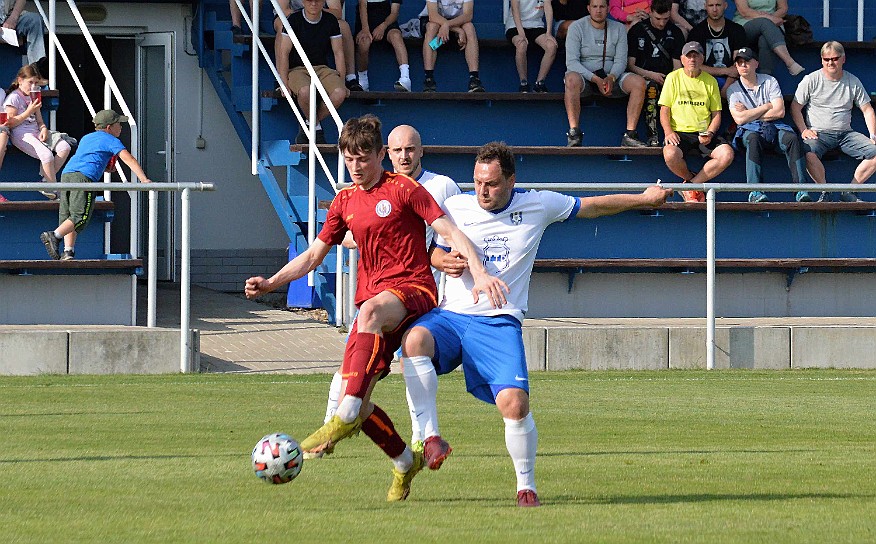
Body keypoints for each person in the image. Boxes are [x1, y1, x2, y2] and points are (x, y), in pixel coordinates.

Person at [244, 115, 507, 502]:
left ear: (380, 155)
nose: (356, 167)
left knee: (364, 327)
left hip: (413, 292)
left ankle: (345, 416)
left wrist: (480, 273)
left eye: (363, 158)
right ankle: (403, 461)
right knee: (360, 394)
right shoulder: (344, 201)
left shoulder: (404, 189)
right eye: (349, 159)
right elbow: (314, 255)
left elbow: (451, 233)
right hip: (374, 303)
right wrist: (272, 282)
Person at [400, 141, 671, 507]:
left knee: (515, 405)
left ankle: (525, 487)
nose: (482, 191)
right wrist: (440, 260)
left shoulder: (538, 204)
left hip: (498, 322)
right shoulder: (456, 205)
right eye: (478, 181)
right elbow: (428, 245)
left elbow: (591, 206)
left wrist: (643, 199)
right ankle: (430, 438)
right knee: (414, 340)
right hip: (451, 316)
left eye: (492, 184)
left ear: (511, 181)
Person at [311, 123, 462, 457]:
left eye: (410, 149)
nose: (404, 156)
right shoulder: (364, 193)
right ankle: (342, 431)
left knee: (412, 356)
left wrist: (457, 264)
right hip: (378, 292)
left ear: (421, 150)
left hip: (421, 291)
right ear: (387, 154)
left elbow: (451, 232)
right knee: (353, 375)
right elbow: (352, 235)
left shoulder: (439, 187)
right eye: (398, 150)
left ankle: (425, 437)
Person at [39, 109, 151, 261]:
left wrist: (105, 167)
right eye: (119, 124)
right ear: (109, 128)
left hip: (67, 174)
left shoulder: (87, 137)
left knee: (68, 216)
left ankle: (68, 252)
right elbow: (129, 158)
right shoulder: (111, 139)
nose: (121, 127)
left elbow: (90, 157)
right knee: (80, 216)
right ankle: (54, 236)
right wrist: (144, 179)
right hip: (84, 178)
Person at [790, 41, 876, 203]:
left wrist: (873, 135)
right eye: (826, 59)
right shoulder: (811, 79)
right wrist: (803, 130)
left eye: (835, 58)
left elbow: (867, 109)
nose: (830, 62)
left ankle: (850, 191)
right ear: (822, 59)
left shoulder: (853, 81)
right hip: (818, 133)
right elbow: (795, 107)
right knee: (807, 151)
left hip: (846, 134)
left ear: (843, 59)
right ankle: (825, 191)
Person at [727, 47, 810, 203]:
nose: (743, 65)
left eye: (747, 61)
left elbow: (779, 112)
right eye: (739, 63)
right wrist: (766, 107)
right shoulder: (733, 89)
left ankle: (801, 189)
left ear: (756, 63)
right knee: (752, 138)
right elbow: (739, 120)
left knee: (791, 138)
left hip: (775, 127)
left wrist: (749, 113)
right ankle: (755, 192)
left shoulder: (769, 81)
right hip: (750, 131)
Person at [564, 0, 648, 147]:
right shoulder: (576, 27)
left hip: (611, 75)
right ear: (588, 8)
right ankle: (574, 133)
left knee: (639, 82)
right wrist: (595, 79)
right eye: (595, 7)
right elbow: (571, 62)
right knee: (570, 78)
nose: (598, 10)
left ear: (608, 8)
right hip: (585, 76)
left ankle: (630, 135)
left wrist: (612, 77)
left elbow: (621, 60)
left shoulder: (619, 28)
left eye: (602, 6)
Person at [658, 41, 734, 202]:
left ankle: (691, 185)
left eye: (696, 56)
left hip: (703, 133)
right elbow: (664, 109)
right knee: (670, 154)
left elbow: (716, 114)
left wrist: (710, 132)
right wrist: (668, 132)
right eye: (689, 56)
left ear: (702, 59)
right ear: (682, 59)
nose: (692, 59)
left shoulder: (710, 81)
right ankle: (691, 182)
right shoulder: (673, 78)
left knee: (726, 154)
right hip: (679, 132)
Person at [278, 0, 349, 144]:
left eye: (318, 0)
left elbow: (339, 53)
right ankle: (316, 127)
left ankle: (309, 123)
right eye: (309, 0)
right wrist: (283, 82)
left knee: (340, 93)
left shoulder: (330, 20)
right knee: (305, 91)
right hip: (297, 69)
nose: (314, 3)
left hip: (322, 68)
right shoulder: (294, 20)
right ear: (303, 2)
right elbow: (283, 52)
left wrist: (342, 81)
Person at [3, 64, 71, 199]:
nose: (33, 86)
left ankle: (45, 182)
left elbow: (39, 121)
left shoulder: (33, 96)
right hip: (21, 133)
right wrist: (29, 111)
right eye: (30, 82)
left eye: (36, 83)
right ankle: (54, 190)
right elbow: (9, 122)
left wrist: (43, 128)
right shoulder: (14, 97)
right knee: (47, 155)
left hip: (35, 131)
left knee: (65, 147)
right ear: (20, 80)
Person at [274, 0, 362, 96]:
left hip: (318, 14)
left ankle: (350, 78)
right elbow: (282, 10)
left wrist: (315, 11)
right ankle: (281, 79)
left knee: (344, 26)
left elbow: (337, 11)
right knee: (283, 24)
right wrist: (307, 12)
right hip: (290, 16)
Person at [626, 0, 684, 146]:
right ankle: (652, 134)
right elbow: (630, 65)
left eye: (665, 19)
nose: (661, 23)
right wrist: (651, 75)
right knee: (651, 87)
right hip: (643, 76)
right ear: (650, 12)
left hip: (667, 78)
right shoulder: (637, 30)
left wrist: (671, 80)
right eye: (658, 18)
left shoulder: (675, 32)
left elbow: (677, 67)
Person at [420, 0, 485, 92]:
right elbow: (433, 16)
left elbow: (468, 15)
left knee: (469, 27)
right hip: (436, 22)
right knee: (432, 27)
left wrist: (448, 25)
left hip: (456, 22)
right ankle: (429, 78)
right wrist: (458, 30)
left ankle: (474, 79)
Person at [687, 0, 746, 97]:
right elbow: (695, 66)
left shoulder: (737, 30)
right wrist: (726, 71)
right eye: (711, 5)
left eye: (718, 5)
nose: (714, 9)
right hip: (703, 82)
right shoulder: (696, 32)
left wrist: (727, 87)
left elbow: (738, 65)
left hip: (732, 81)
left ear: (725, 5)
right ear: (705, 6)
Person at [732, 0, 804, 76]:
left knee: (764, 39)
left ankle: (766, 78)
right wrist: (768, 18)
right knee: (764, 23)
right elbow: (745, 11)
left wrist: (770, 18)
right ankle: (790, 62)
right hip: (746, 25)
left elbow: (783, 9)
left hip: (772, 26)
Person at [355, 0, 411, 91]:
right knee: (363, 41)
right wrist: (365, 29)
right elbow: (362, 5)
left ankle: (405, 78)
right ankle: (363, 82)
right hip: (365, 22)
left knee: (396, 36)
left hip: (387, 22)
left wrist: (382, 27)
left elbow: (394, 13)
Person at [504, 0, 558, 92]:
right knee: (521, 45)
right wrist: (521, 33)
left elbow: (548, 7)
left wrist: (549, 33)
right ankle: (523, 82)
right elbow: (514, 9)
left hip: (536, 25)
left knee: (551, 46)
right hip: (515, 26)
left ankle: (539, 83)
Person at [1, 0, 45, 65]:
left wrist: (13, 19)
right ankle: (17, 40)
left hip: (9, 17)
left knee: (34, 20)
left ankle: (34, 67)